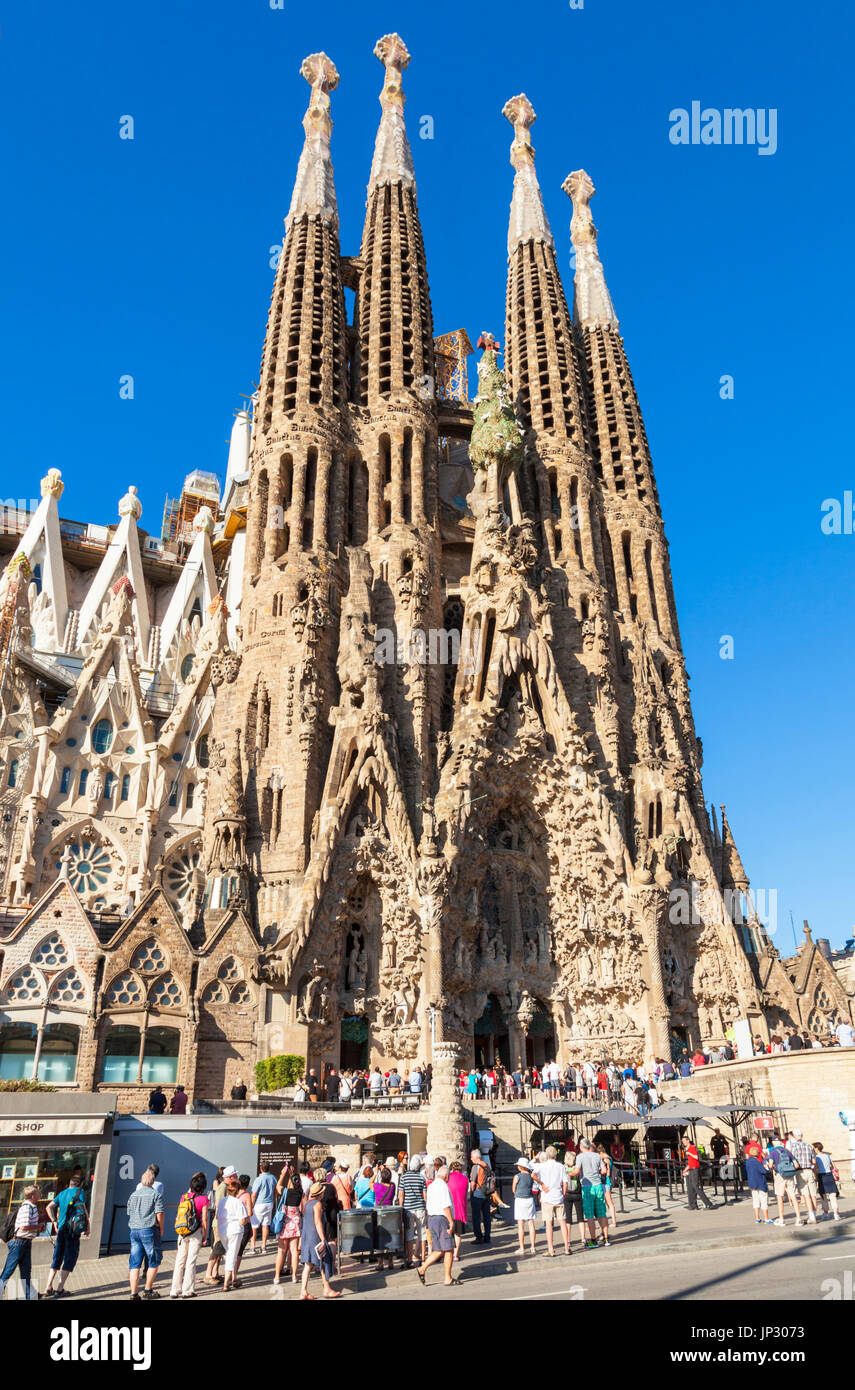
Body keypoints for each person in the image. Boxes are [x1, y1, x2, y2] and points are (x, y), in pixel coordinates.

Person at [43, 1167, 89, 1298]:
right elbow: (84, 1210)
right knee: (69, 1258)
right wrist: (88, 1227)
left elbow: (49, 1207)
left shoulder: (62, 1193)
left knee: (57, 1257)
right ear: (78, 1184)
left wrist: (54, 1221)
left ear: (69, 1183)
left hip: (61, 1229)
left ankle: (48, 1287)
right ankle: (59, 1289)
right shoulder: (80, 1192)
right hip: (72, 1231)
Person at [416, 1163, 460, 1287]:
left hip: (432, 1218)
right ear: (446, 1176)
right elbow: (445, 1206)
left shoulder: (431, 1186)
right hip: (441, 1219)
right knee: (449, 1249)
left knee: (439, 1249)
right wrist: (451, 1222)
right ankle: (447, 1278)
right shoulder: (443, 1186)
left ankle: (422, 1268)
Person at [300, 1180, 341, 1299]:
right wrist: (323, 1238)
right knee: (325, 1261)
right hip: (315, 1237)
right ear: (320, 1194)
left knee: (308, 1265)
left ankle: (303, 1291)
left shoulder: (307, 1203)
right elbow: (318, 1222)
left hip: (306, 1236)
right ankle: (327, 1289)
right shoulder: (317, 1204)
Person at [0, 1184, 42, 1300]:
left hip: (25, 1243)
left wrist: (36, 1227)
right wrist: (37, 1227)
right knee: (8, 1271)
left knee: (26, 1272)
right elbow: (23, 1227)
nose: (40, 1194)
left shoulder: (31, 1207)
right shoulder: (27, 1208)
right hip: (19, 1243)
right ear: (33, 1196)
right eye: (38, 1192)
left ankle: (30, 1296)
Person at [170, 1171, 209, 1298]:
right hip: (195, 1232)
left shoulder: (184, 1197)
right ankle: (187, 1291)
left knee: (180, 1261)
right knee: (191, 1261)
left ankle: (174, 1290)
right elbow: (204, 1219)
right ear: (203, 1187)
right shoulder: (203, 1199)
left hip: (182, 1233)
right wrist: (205, 1235)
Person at [127, 1169, 164, 1300]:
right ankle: (148, 1290)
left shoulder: (133, 1195)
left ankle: (133, 1293)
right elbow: (159, 1213)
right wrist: (161, 1229)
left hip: (134, 1230)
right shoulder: (156, 1194)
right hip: (149, 1230)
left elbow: (129, 1212)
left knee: (135, 1263)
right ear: (153, 1182)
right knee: (154, 1260)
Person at [569, 1139, 610, 1248]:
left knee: (590, 1215)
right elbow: (604, 1171)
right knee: (601, 1213)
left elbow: (577, 1171)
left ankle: (593, 1240)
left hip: (587, 1187)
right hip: (598, 1186)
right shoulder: (597, 1156)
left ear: (582, 1147)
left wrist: (568, 1174)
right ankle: (606, 1238)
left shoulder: (580, 1157)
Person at [532, 1145, 569, 1256]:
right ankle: (567, 1247)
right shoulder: (560, 1166)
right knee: (562, 1222)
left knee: (548, 1224)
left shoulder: (542, 1166)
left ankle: (551, 1249)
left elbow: (532, 1175)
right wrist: (563, 1194)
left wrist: (542, 1183)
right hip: (558, 1196)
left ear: (547, 1155)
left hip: (547, 1197)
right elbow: (565, 1182)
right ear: (556, 1155)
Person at [273, 1163, 304, 1285]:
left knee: (281, 1250)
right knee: (294, 1250)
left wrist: (283, 1174)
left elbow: (278, 1186)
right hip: (295, 1222)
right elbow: (297, 1184)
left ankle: (276, 1277)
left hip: (285, 1222)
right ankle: (294, 1276)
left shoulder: (286, 1192)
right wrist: (292, 1175)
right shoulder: (300, 1192)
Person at [217, 1171, 248, 1291]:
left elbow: (218, 1216)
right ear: (238, 1190)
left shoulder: (223, 1201)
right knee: (231, 1256)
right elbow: (242, 1220)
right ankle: (226, 1284)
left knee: (229, 1254)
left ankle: (234, 1278)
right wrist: (244, 1222)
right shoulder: (238, 1202)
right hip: (235, 1230)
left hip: (223, 1230)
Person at [399, 1155, 428, 1268]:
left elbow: (401, 1194)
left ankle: (410, 1258)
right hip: (420, 1207)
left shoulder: (404, 1177)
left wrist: (401, 1207)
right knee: (422, 1233)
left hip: (408, 1209)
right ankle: (423, 1257)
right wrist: (426, 1206)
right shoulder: (422, 1178)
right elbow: (425, 1195)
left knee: (409, 1234)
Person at [767, 1135, 802, 1226]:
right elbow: (796, 1165)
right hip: (790, 1175)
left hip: (779, 1175)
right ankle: (798, 1219)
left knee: (780, 1197)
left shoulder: (772, 1152)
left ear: (773, 1143)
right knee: (793, 1196)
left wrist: (775, 1167)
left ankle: (781, 1219)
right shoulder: (787, 1151)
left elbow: (770, 1165)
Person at [788, 1130, 819, 1223]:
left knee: (806, 1195)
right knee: (813, 1194)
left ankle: (811, 1216)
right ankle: (815, 1214)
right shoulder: (809, 1146)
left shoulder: (793, 1146)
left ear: (794, 1136)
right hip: (809, 1170)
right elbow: (814, 1161)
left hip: (800, 1171)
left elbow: (792, 1159)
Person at [249, 1159, 277, 1253]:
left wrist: (251, 1206)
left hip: (259, 1204)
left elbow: (253, 1194)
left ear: (261, 1168)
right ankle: (263, 1246)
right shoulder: (273, 1178)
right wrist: (273, 1201)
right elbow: (275, 1192)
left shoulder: (258, 1179)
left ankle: (252, 1247)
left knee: (254, 1226)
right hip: (269, 1203)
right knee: (265, 1225)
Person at [512, 1156, 537, 1255]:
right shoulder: (531, 1176)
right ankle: (533, 1247)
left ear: (520, 1167)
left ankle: (522, 1248)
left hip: (520, 1200)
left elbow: (513, 1189)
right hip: (529, 1199)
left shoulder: (517, 1176)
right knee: (531, 1223)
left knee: (521, 1225)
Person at [563, 1148, 586, 1250]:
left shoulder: (563, 1168)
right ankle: (583, 1239)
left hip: (567, 1194)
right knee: (580, 1217)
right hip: (577, 1193)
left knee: (568, 1219)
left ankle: (568, 1240)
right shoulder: (577, 1169)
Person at [469, 1147, 493, 1245]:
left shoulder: (476, 1167)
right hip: (486, 1193)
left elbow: (473, 1182)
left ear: (476, 1157)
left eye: (471, 1157)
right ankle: (487, 1236)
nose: (471, 1159)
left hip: (478, 1193)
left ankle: (479, 1237)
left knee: (476, 1216)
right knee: (487, 1216)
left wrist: (471, 1193)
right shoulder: (486, 1165)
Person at [683, 1136, 714, 1211]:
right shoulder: (687, 1149)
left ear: (688, 1141)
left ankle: (708, 1203)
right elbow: (691, 1162)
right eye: (682, 1141)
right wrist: (685, 1169)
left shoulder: (692, 1148)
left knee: (695, 1186)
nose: (683, 1142)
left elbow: (696, 1157)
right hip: (690, 1169)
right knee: (690, 1187)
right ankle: (693, 1205)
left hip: (695, 1170)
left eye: (684, 1141)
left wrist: (689, 1153)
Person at [447, 1160, 469, 1264]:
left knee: (448, 1233)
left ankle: (448, 1253)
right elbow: (467, 1195)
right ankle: (455, 1254)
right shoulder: (465, 1179)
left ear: (451, 1168)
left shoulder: (447, 1179)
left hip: (449, 1210)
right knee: (457, 1234)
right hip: (460, 1210)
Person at [745, 1148, 773, 1225]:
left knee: (755, 1201)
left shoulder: (747, 1162)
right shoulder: (757, 1162)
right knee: (763, 1201)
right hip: (760, 1183)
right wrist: (769, 1170)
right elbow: (763, 1171)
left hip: (752, 1183)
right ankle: (766, 1218)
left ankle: (757, 1218)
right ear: (757, 1154)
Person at [813, 1143, 840, 1220]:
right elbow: (833, 1166)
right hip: (830, 1175)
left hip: (821, 1176)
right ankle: (836, 1214)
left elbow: (815, 1168)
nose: (813, 1150)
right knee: (833, 1195)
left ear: (817, 1148)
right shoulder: (828, 1156)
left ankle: (826, 1213)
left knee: (823, 1196)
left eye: (814, 1148)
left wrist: (815, 1174)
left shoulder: (816, 1157)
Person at [597, 1145, 617, 1230]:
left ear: (601, 1153)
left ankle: (613, 1221)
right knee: (608, 1202)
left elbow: (607, 1173)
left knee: (609, 1202)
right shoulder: (609, 1158)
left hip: (606, 1182)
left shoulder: (606, 1160)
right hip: (606, 1182)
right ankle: (611, 1221)